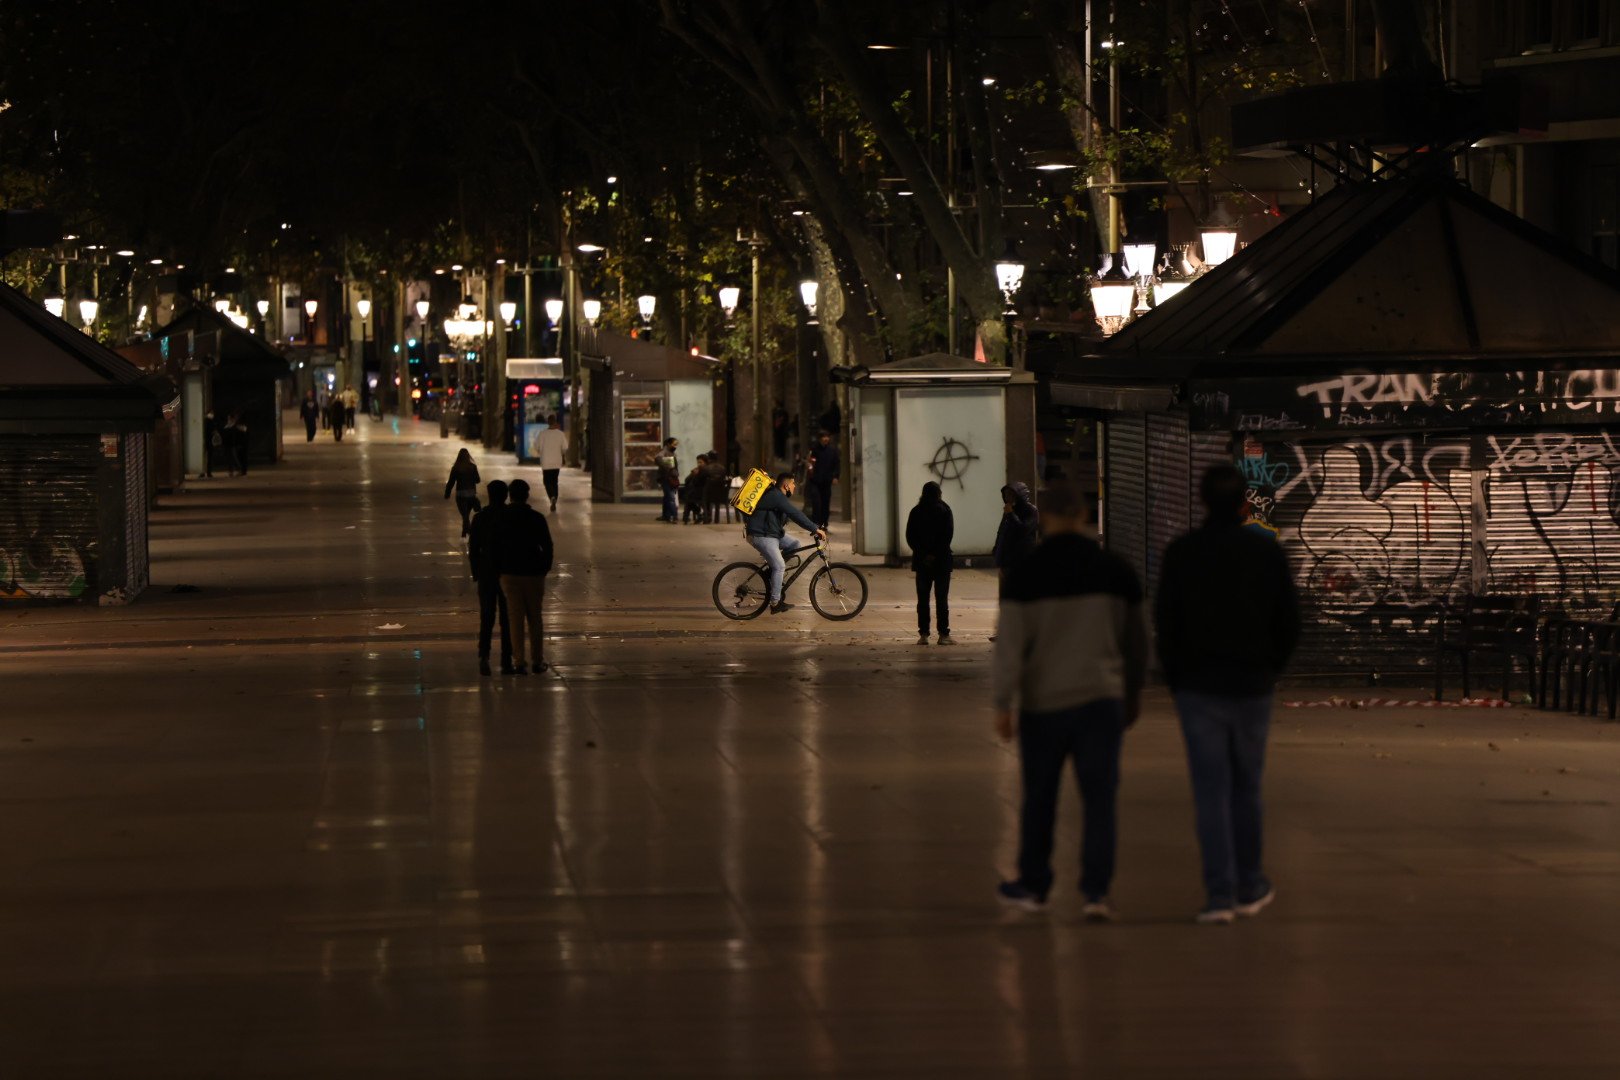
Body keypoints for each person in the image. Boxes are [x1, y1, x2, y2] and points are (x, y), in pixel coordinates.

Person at [993, 480, 1146, 921]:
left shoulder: (1029, 573)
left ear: (1049, 517)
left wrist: (1004, 702)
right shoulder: (1116, 570)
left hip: (1044, 706)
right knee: (1100, 798)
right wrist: (1131, 693)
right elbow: (1135, 642)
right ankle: (1096, 892)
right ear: (1081, 516)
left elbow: (1011, 646)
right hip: (1101, 701)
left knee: (1040, 796)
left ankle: (1034, 885)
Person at [1154, 464, 1300, 926]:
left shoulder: (1182, 553)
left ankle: (1218, 896)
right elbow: (1289, 621)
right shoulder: (1266, 554)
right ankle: (1250, 883)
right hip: (1251, 685)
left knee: (1210, 791)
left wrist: (1177, 677)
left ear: (1200, 500)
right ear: (1244, 505)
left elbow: (1166, 622)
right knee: (1246, 787)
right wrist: (1269, 669)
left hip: (1198, 687)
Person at [743, 472, 826, 614]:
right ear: (786, 485)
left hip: (771, 533)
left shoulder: (777, 495)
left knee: (794, 545)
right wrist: (815, 528)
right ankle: (775, 603)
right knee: (780, 566)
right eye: (793, 484)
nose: (794, 487)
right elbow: (795, 514)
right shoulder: (776, 496)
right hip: (760, 535)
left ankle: (770, 572)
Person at [494, 479, 554, 675]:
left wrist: (499, 568)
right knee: (535, 617)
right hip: (533, 574)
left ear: (510, 495)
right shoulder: (536, 518)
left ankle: (519, 661)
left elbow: (495, 546)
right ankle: (537, 660)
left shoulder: (502, 518)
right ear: (527, 495)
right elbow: (547, 546)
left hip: (510, 573)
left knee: (515, 619)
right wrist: (544, 568)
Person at [467, 480, 514, 677]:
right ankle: (506, 659)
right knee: (507, 618)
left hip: (487, 572)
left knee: (487, 616)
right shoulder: (511, 517)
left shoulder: (480, 518)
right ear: (506, 496)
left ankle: (484, 655)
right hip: (508, 572)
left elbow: (473, 549)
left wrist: (476, 572)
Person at [905, 482, 954, 646]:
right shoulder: (945, 510)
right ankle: (943, 634)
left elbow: (910, 536)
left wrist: (924, 554)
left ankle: (924, 634)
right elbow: (947, 536)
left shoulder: (916, 511)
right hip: (942, 562)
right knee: (942, 599)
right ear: (939, 493)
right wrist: (935, 554)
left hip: (922, 563)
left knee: (923, 600)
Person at [993, 482, 1040, 588]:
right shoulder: (1009, 509)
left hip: (1021, 558)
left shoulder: (1031, 510)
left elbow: (1023, 530)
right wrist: (997, 549)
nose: (1007, 497)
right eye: (1005, 494)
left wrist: (1011, 514)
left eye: (1010, 494)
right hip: (1006, 559)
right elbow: (1002, 531)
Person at [444, 448, 481, 537]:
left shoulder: (456, 468)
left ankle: (468, 532)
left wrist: (447, 493)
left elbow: (451, 482)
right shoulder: (473, 467)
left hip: (461, 495)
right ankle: (465, 533)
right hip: (471, 494)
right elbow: (478, 480)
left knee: (465, 515)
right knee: (466, 515)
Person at [806, 431, 839, 529]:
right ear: (820, 438)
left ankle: (824, 523)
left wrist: (836, 477)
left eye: (827, 437)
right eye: (824, 437)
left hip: (827, 481)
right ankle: (816, 523)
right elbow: (810, 463)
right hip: (815, 480)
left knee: (825, 503)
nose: (826, 439)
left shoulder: (832, 451)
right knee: (816, 502)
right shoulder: (814, 449)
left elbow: (836, 464)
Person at [536, 414, 567, 512]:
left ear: (548, 422)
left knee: (546, 481)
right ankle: (554, 498)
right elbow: (565, 447)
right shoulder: (560, 434)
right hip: (557, 461)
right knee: (554, 481)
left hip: (546, 462)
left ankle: (552, 497)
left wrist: (542, 452)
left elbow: (538, 447)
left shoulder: (542, 434)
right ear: (555, 422)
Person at [655, 437, 681, 523]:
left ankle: (666, 515)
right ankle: (674, 516)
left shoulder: (670, 452)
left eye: (676, 444)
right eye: (674, 444)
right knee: (671, 497)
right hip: (668, 478)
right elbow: (658, 459)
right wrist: (669, 467)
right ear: (668, 444)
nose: (675, 446)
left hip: (668, 477)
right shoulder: (665, 452)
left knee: (667, 497)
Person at [702, 452, 729, 524]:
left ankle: (707, 516)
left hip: (708, 495)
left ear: (709, 458)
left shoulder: (706, 468)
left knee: (702, 494)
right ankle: (716, 519)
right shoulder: (723, 468)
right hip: (721, 495)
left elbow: (701, 480)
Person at [681, 455, 708, 524]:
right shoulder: (698, 470)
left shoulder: (705, 471)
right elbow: (686, 480)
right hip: (696, 492)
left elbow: (697, 482)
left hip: (702, 493)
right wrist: (692, 474)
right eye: (698, 462)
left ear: (705, 463)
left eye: (700, 462)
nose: (699, 464)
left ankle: (687, 517)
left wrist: (696, 475)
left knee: (689, 498)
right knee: (688, 497)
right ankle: (698, 515)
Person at [226, 411, 249, 476]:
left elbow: (244, 430)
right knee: (234, 457)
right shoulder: (230, 425)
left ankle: (242, 471)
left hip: (240, 444)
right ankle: (235, 471)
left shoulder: (239, 424)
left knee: (239, 458)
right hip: (234, 444)